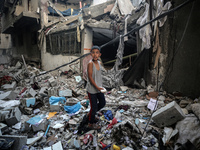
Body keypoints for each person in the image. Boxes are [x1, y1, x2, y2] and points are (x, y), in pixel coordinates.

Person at [86, 45, 106, 129]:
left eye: (97, 53)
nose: (95, 54)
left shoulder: (99, 63)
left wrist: (100, 87)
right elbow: (90, 78)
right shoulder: (90, 64)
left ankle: (91, 114)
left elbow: (98, 76)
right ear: (91, 54)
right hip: (92, 89)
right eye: (93, 52)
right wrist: (97, 88)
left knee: (102, 103)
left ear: (99, 55)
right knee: (93, 107)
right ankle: (91, 123)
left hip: (99, 88)